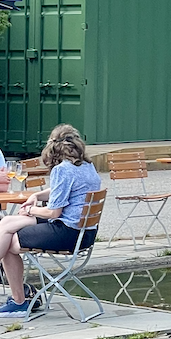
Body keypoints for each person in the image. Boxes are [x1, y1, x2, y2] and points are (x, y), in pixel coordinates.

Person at [0, 125, 102, 317]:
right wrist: (37, 195)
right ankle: (18, 301)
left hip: (66, 232)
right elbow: (64, 193)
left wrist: (30, 209)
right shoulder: (87, 166)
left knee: (10, 240)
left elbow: (54, 212)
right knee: (6, 225)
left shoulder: (62, 170)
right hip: (85, 233)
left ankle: (20, 302)